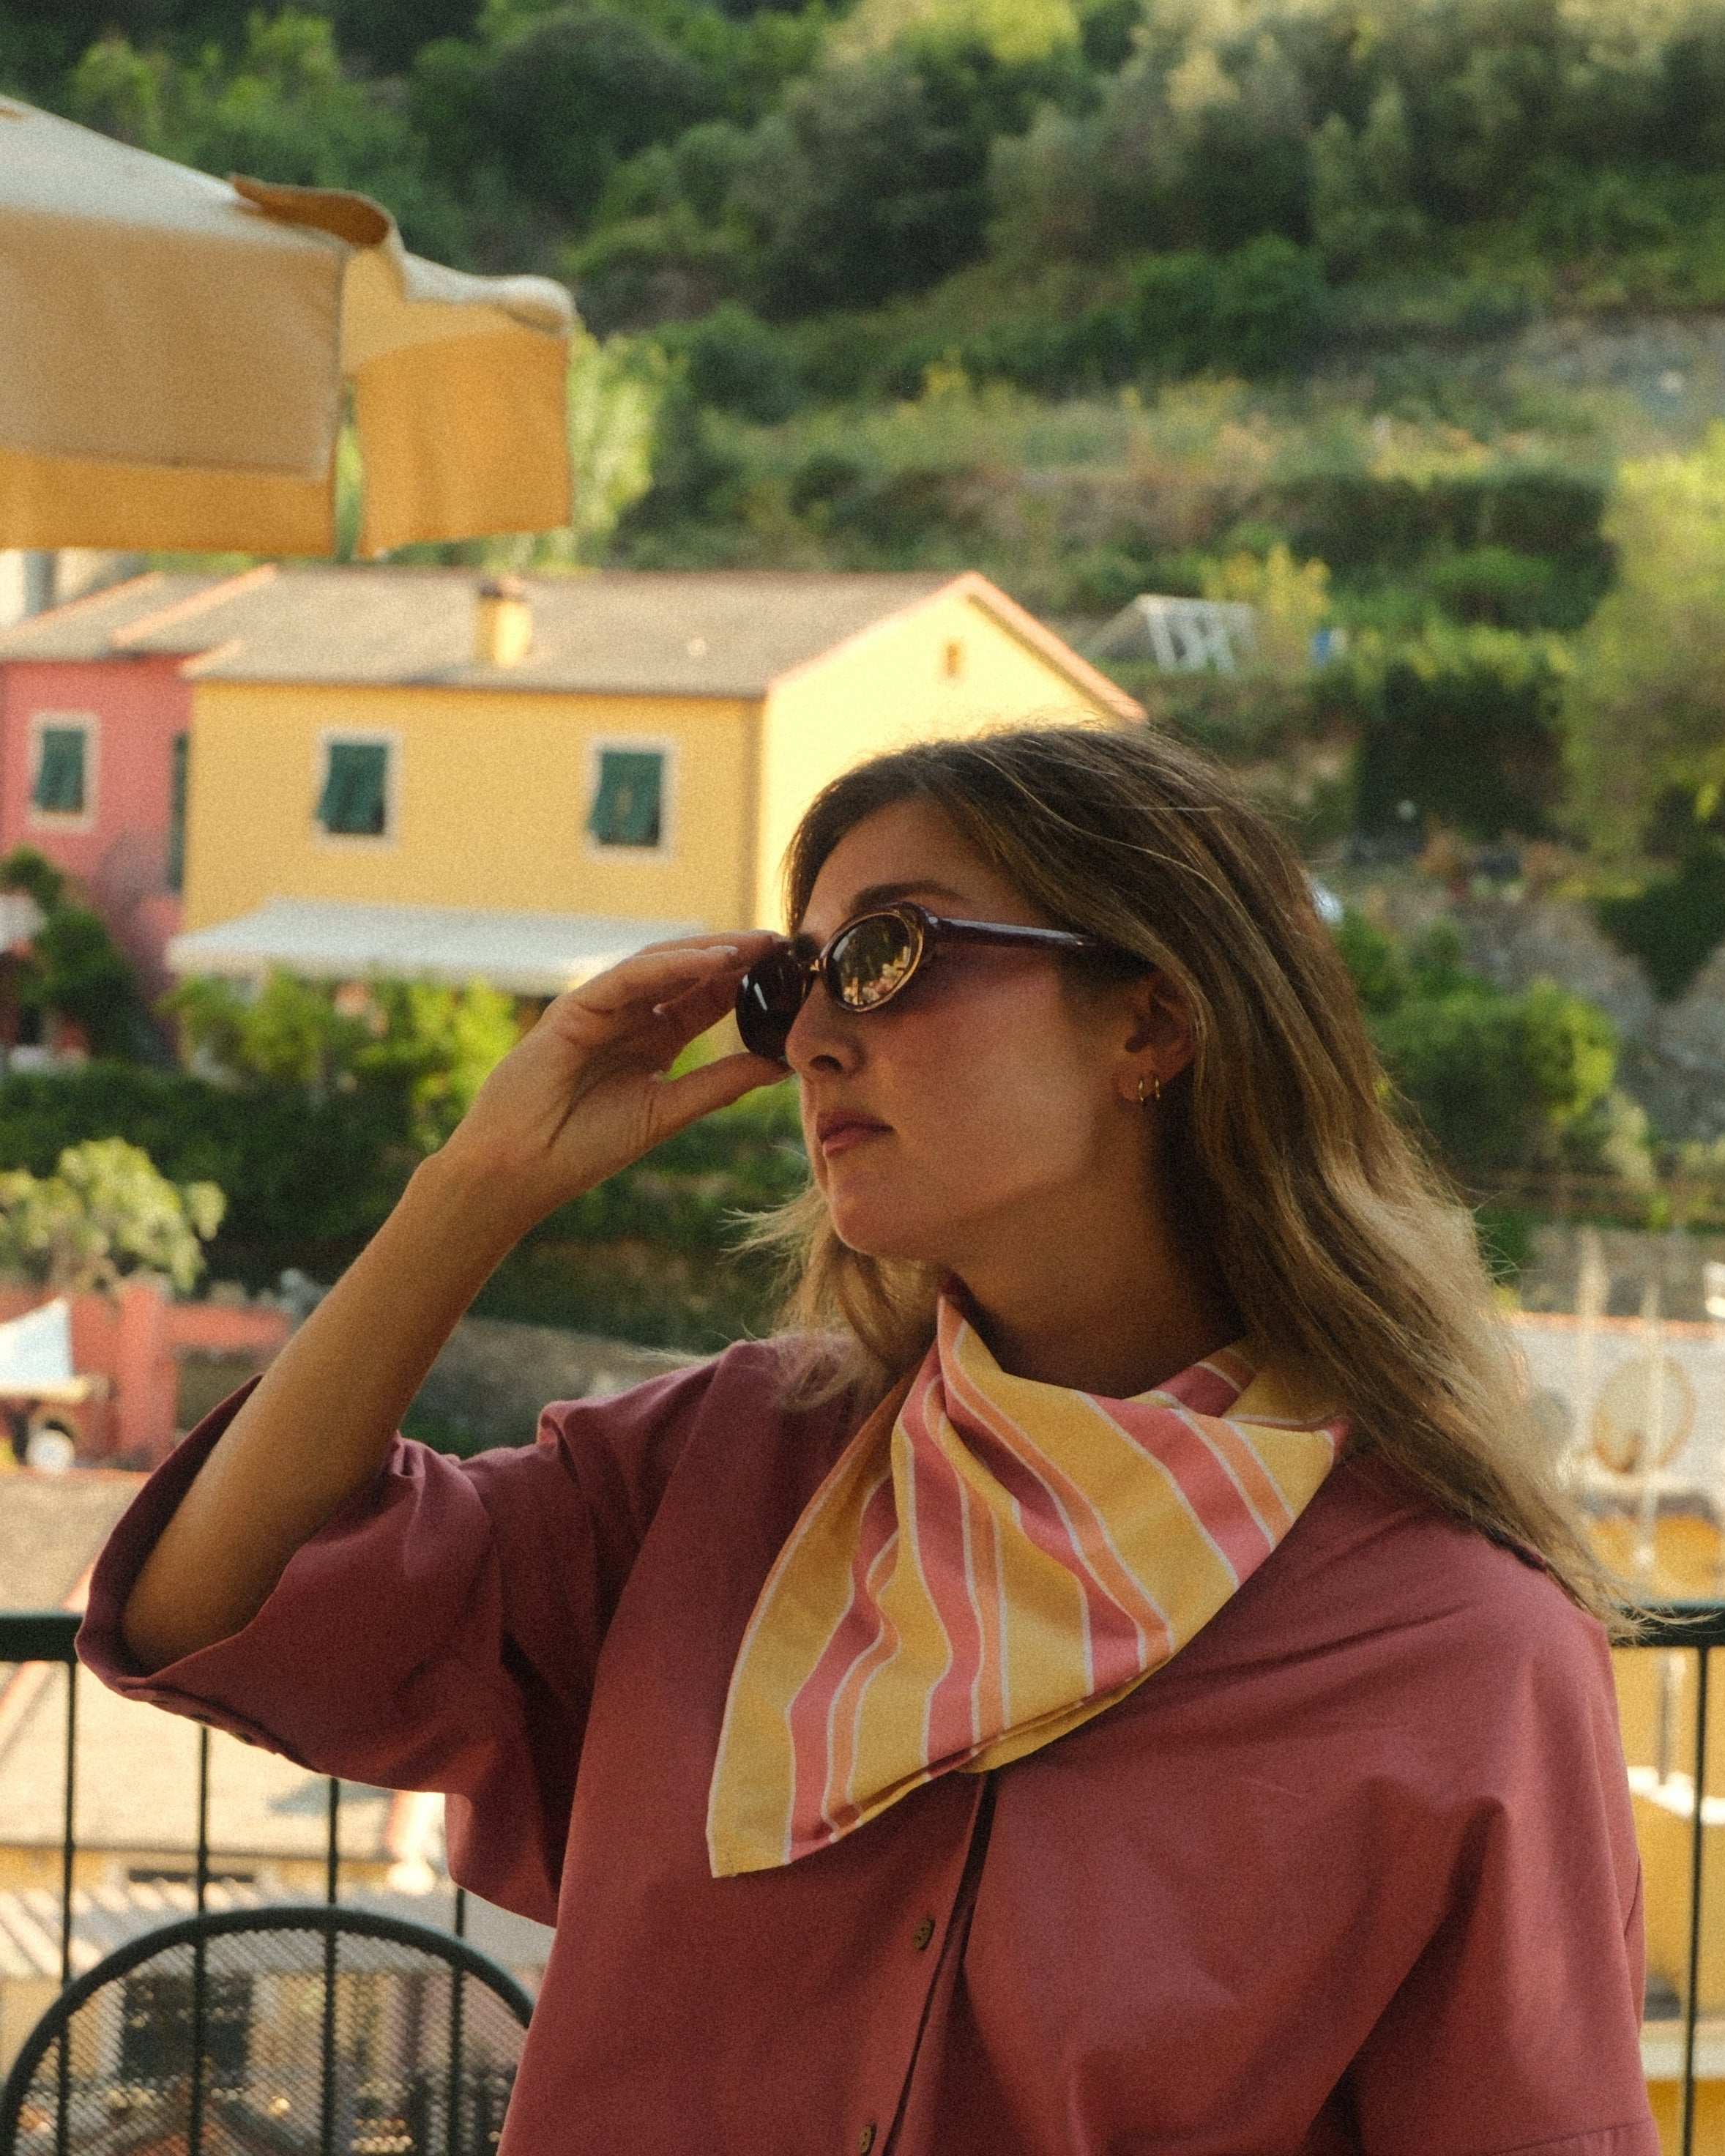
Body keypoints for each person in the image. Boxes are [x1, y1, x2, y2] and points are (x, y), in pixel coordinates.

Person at [81, 723, 1657, 2155]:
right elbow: (212, 1605)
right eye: (793, 985)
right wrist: (477, 1185)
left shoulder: (1455, 1654)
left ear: (1154, 1020)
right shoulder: (722, 1473)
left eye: (889, 955)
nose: (812, 1040)